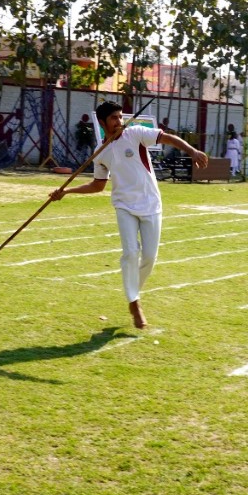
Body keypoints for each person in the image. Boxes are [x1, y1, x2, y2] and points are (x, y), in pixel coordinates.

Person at [49, 101, 207, 329]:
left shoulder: (136, 133)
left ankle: (134, 291)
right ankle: (134, 302)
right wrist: (67, 191)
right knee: (131, 253)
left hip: (151, 203)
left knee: (150, 257)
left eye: (120, 116)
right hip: (124, 206)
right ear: (102, 123)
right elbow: (98, 185)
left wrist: (192, 151)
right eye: (114, 118)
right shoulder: (100, 152)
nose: (119, 121)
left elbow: (167, 138)